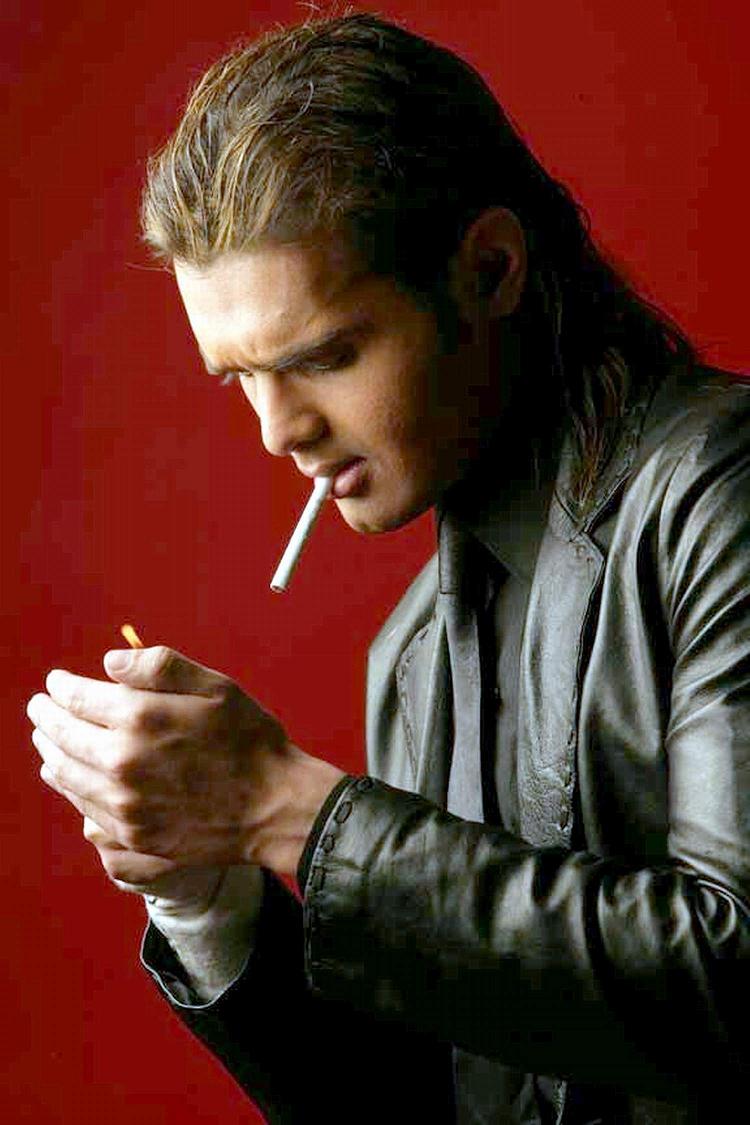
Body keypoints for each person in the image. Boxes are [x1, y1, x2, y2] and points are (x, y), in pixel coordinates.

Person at [26, 13, 748, 1125]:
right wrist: (206, 891)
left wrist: (287, 810)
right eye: (240, 378)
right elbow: (449, 1100)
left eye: (323, 356)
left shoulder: (721, 490)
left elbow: (734, 981)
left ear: (490, 269)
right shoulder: (413, 657)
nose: (279, 429)